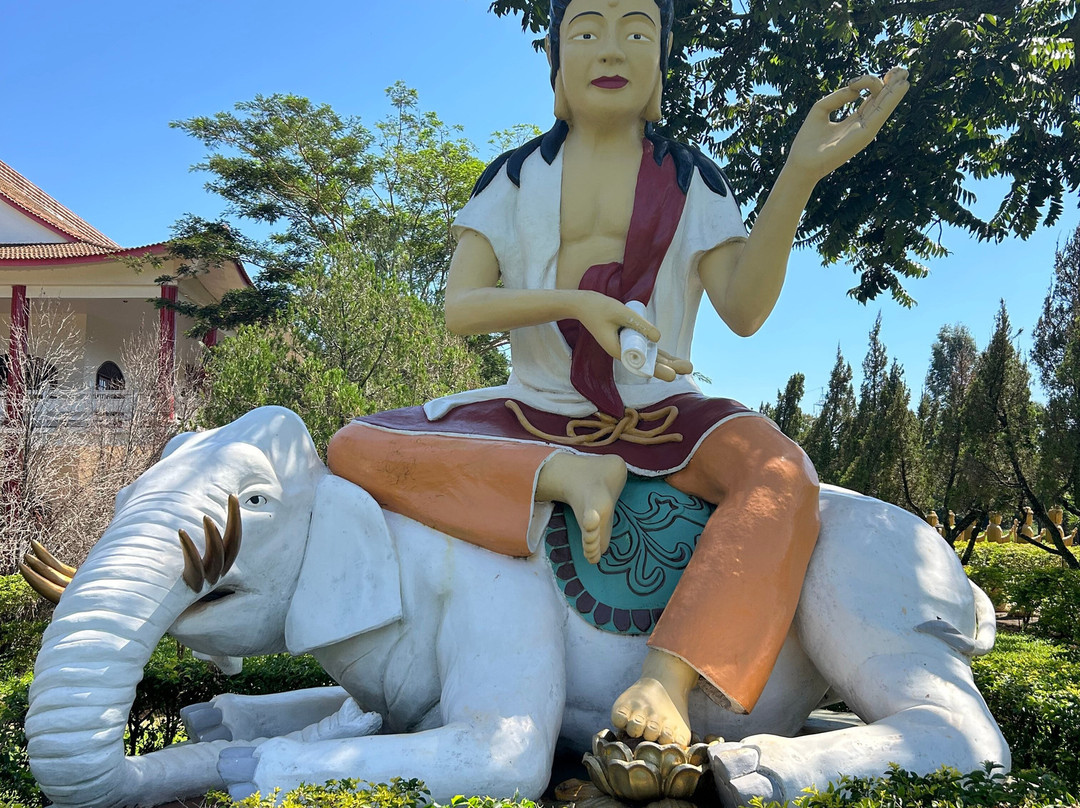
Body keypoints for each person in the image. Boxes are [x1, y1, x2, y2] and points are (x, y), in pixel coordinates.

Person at [328, 0, 908, 747]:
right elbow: (461, 307)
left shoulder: (695, 181)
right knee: (352, 447)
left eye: (637, 31)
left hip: (663, 409)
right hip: (534, 413)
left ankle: (667, 679)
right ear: (556, 63)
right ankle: (565, 476)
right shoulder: (510, 179)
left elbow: (743, 309)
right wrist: (575, 301)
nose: (612, 48)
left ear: (661, 64)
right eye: (587, 31)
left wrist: (798, 175)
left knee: (780, 473)